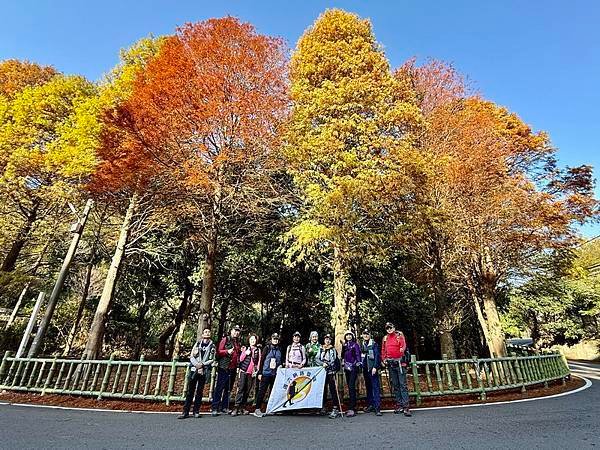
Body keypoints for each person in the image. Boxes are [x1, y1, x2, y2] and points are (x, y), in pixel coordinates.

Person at [178, 328, 215, 419]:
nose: (207, 333)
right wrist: (196, 364)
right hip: (194, 369)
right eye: (205, 332)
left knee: (199, 391)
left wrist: (202, 365)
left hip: (204, 370)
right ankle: (185, 411)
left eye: (209, 332)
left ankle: (196, 411)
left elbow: (212, 359)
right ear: (202, 334)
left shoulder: (212, 346)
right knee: (190, 390)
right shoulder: (198, 344)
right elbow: (191, 356)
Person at [381, 322, 411, 417]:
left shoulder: (399, 336)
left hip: (399, 363)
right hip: (391, 364)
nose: (389, 329)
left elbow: (403, 346)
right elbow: (383, 350)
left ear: (394, 327)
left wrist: (399, 356)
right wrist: (384, 359)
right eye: (387, 328)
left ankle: (406, 406)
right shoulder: (385, 338)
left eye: (390, 327)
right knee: (395, 385)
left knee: (402, 384)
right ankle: (399, 404)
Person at [211, 325, 241, 416]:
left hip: (233, 368)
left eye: (238, 331)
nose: (236, 332)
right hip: (224, 367)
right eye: (235, 330)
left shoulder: (237, 342)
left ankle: (224, 407)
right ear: (231, 331)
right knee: (219, 387)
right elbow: (219, 351)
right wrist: (227, 352)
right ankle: (215, 407)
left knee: (228, 389)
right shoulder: (225, 339)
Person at [254, 333, 283, 417]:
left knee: (273, 392)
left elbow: (280, 361)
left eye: (277, 339)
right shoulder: (267, 348)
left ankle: (271, 408)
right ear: (271, 339)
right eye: (274, 339)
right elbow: (262, 360)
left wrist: (280, 365)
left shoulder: (280, 349)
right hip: (266, 373)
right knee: (262, 391)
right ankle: (257, 408)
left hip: (275, 374)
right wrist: (260, 372)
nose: (275, 340)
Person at [233, 334, 261, 416]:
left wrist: (257, 371)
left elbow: (258, 362)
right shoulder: (245, 348)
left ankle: (243, 407)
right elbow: (241, 359)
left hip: (251, 373)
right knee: (241, 388)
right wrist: (245, 353)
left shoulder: (258, 350)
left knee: (247, 390)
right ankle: (236, 407)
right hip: (243, 371)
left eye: (254, 339)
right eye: (251, 339)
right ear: (249, 340)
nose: (253, 341)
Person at [316, 333, 342, 419]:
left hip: (331, 372)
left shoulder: (333, 349)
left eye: (329, 339)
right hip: (322, 372)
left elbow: (334, 359)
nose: (327, 341)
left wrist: (329, 365)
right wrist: (322, 363)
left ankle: (335, 408)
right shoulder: (321, 348)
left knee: (333, 390)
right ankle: (323, 406)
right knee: (323, 389)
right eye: (326, 339)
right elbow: (317, 358)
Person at [360, 329, 382, 416]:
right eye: (364, 334)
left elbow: (377, 356)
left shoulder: (374, 344)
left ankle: (377, 407)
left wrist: (375, 367)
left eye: (367, 334)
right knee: (368, 387)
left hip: (372, 369)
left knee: (375, 387)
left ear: (370, 335)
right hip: (365, 369)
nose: (365, 335)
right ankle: (370, 405)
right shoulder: (361, 344)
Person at [341, 330, 362, 417]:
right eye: (347, 335)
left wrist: (358, 363)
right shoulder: (345, 345)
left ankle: (352, 407)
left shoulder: (355, 345)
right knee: (349, 387)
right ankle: (352, 405)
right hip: (347, 367)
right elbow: (343, 355)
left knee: (351, 386)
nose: (348, 337)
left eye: (350, 335)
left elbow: (358, 354)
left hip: (353, 367)